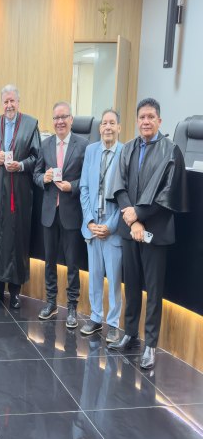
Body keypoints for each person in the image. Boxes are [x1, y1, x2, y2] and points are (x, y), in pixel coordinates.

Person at [107, 98, 188, 369]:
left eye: (151, 117)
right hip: (130, 229)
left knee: (153, 290)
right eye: (142, 117)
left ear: (159, 121)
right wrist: (133, 220)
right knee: (130, 284)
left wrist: (139, 216)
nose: (146, 121)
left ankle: (150, 345)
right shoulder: (128, 148)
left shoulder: (171, 151)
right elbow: (119, 186)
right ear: (137, 120)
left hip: (156, 231)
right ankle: (130, 333)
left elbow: (168, 194)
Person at [0, 84, 40, 309]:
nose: (9, 105)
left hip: (19, 191)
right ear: (2, 103)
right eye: (5, 101)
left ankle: (15, 291)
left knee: (17, 238)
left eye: (12, 101)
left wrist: (21, 165)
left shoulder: (30, 125)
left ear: (18, 102)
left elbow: (37, 158)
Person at [33, 101, 88, 328]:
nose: (60, 121)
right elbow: (36, 174)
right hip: (49, 212)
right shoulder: (45, 144)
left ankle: (72, 306)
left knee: (72, 263)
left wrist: (71, 186)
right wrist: (43, 179)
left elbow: (87, 179)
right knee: (49, 261)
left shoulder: (83, 145)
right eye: (56, 118)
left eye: (64, 117)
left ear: (71, 120)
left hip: (71, 212)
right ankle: (51, 302)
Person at [78, 109, 123, 343]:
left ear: (119, 128)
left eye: (112, 123)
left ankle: (113, 323)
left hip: (112, 228)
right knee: (94, 276)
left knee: (114, 278)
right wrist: (90, 221)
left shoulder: (125, 152)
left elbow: (127, 195)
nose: (107, 127)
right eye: (104, 123)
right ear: (99, 128)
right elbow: (84, 188)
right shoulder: (91, 150)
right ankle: (96, 317)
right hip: (93, 226)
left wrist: (110, 226)